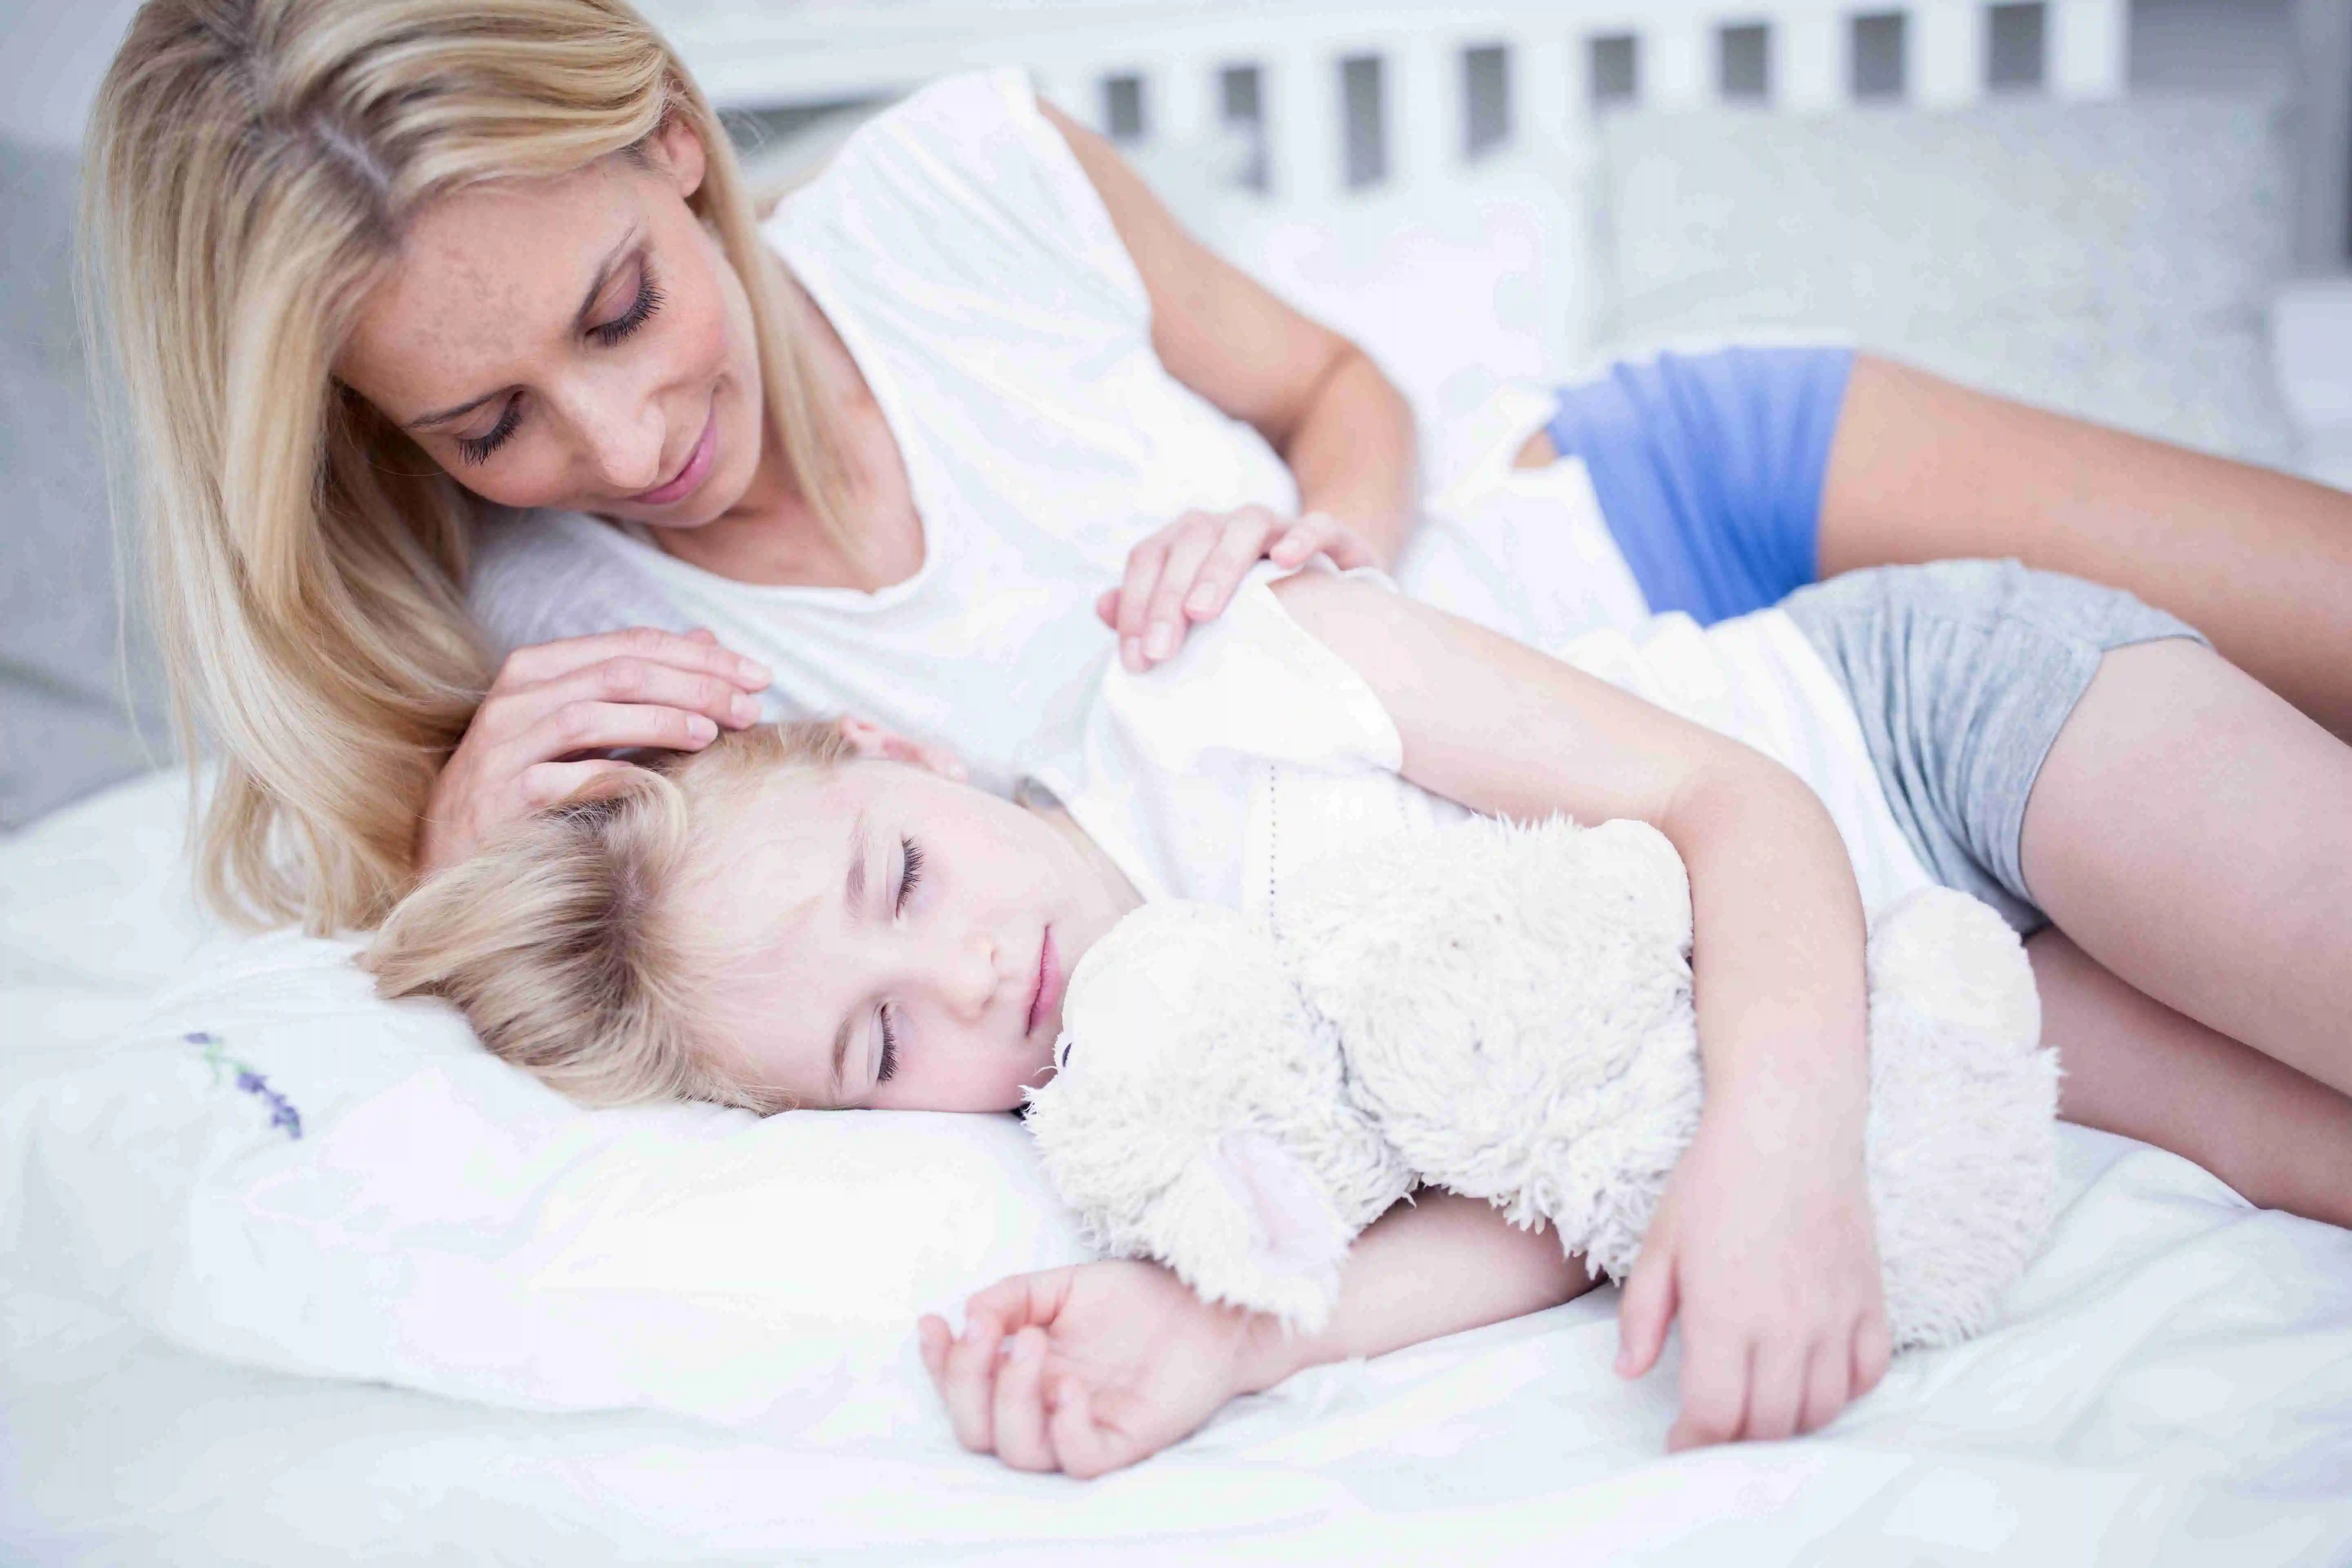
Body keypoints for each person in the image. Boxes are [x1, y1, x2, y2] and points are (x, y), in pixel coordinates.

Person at [89, 0, 2352, 1459]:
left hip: (1654, 514)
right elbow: (552, 1005)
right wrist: (447, 849)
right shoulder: (569, 661)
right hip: (1645, 879)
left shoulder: (973, 176)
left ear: (678, 143)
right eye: (491, 417)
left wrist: (1320, 555)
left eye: (620, 308)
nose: (628, 430)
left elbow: (1339, 394)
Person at [366, 548, 2352, 1476]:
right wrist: (1226, 1342)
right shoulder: (1134, 1103)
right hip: (1941, 995)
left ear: (904, 752)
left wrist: (1782, 1144)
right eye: (883, 1046)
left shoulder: (1229, 679)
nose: (967, 975)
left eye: (902, 878)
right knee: (2311, 1165)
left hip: (1920, 750)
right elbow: (1541, 1194)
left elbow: (1728, 804)